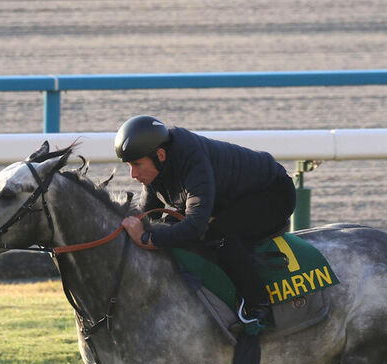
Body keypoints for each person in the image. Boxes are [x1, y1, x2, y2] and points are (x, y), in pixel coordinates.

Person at [116, 115, 296, 329]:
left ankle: (259, 308)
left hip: (273, 193)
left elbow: (194, 226)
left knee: (218, 233)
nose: (133, 174)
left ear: (161, 155)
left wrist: (148, 238)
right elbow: (146, 215)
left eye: (136, 165)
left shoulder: (192, 161)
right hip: (234, 197)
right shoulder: (156, 169)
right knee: (170, 223)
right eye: (129, 166)